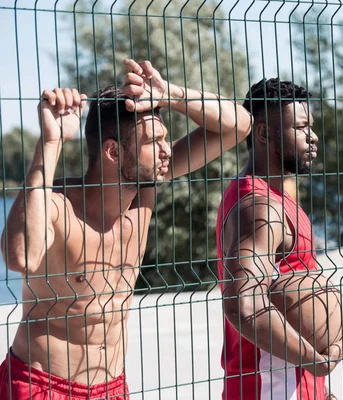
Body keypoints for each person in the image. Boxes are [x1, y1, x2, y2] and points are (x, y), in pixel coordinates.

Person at [0, 59, 252, 399]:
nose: (166, 150)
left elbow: (239, 126)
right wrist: (51, 142)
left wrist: (170, 94)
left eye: (165, 139)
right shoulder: (57, 203)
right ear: (113, 151)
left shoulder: (143, 192)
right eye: (154, 142)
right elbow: (20, 258)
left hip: (113, 387)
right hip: (41, 386)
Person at [216, 78, 343, 400]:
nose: (312, 137)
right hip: (269, 389)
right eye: (301, 127)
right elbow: (244, 307)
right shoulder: (257, 207)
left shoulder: (277, 199)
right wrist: (316, 362)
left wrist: (319, 388)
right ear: (263, 133)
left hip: (295, 387)